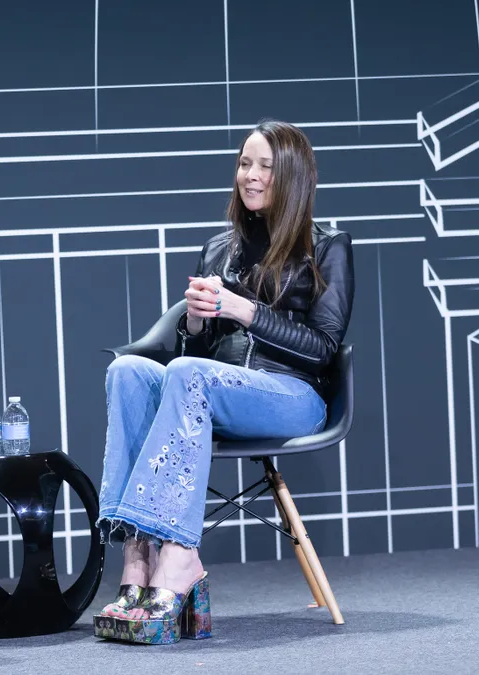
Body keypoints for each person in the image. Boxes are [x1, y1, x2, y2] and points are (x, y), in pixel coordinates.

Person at [92, 119, 355, 645]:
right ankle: (137, 556)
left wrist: (247, 311)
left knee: (190, 377)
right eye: (244, 163)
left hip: (292, 395)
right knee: (127, 371)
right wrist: (193, 325)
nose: (250, 176)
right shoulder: (219, 248)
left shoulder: (328, 246)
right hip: (216, 389)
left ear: (294, 177)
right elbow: (196, 358)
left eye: (265, 166)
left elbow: (325, 348)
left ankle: (180, 558)